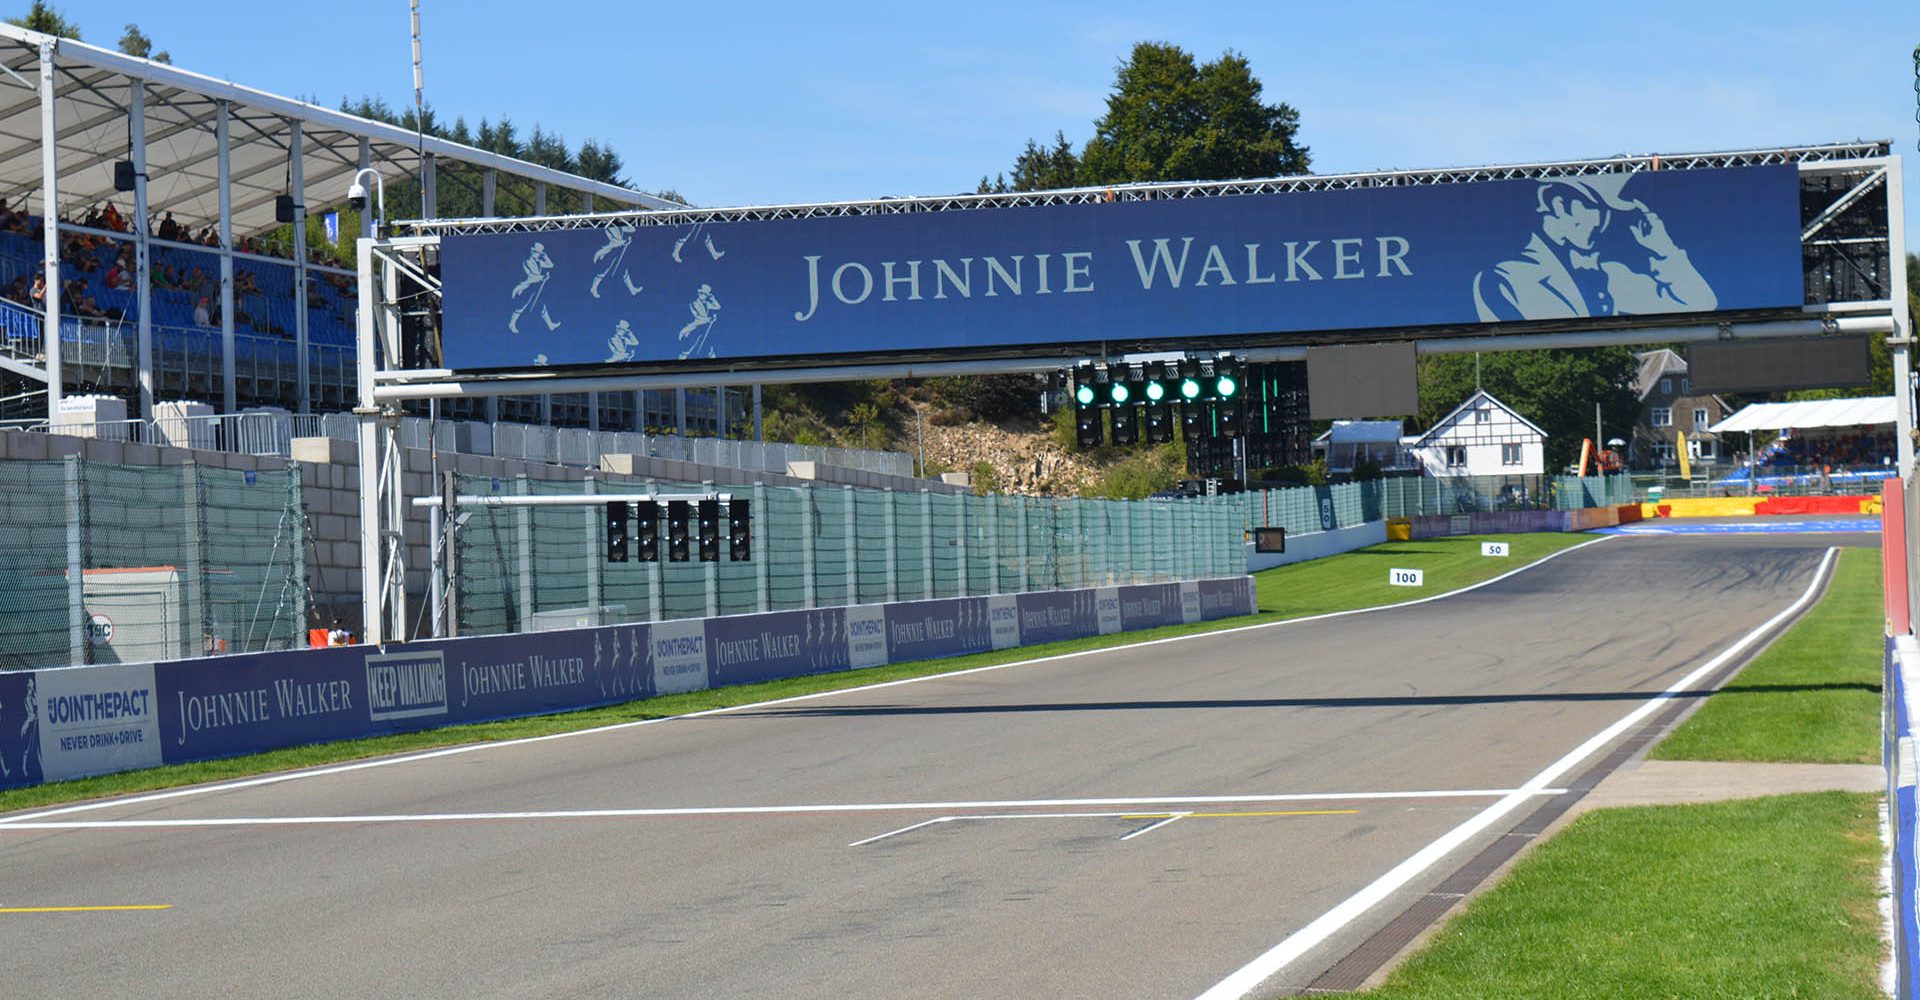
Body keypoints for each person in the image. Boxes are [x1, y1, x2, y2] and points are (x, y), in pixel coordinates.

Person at [1474, 176, 1717, 322]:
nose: (1600, 222)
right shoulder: (1504, 278)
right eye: (1594, 208)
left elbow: (1699, 305)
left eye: (1605, 213)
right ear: (1559, 205)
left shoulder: (1610, 274)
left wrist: (1664, 249)